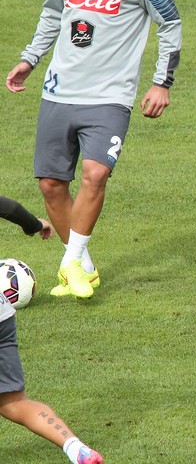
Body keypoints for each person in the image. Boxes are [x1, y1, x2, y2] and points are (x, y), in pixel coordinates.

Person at [6, 0, 183, 298]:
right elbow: (52, 13)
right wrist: (30, 59)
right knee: (51, 184)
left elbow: (170, 23)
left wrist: (162, 82)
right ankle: (83, 268)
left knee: (96, 173)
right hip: (59, 91)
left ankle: (70, 261)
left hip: (109, 96)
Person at [0, 196, 104, 464]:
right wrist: (34, 225)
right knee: (13, 402)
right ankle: (76, 449)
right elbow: (9, 207)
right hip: (2, 316)